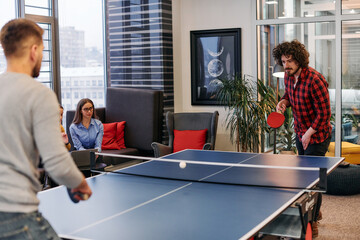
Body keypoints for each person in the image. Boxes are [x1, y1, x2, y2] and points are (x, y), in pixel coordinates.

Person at [0, 18, 92, 239]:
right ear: (33, 50)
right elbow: (57, 162)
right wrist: (79, 183)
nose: (42, 56)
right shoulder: (39, 95)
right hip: (16, 215)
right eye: (42, 50)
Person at [273, 39, 332, 237]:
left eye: (289, 61)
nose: (286, 65)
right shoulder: (288, 77)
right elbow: (289, 96)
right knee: (303, 178)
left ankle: (312, 220)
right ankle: (315, 210)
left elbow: (324, 114)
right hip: (300, 132)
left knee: (313, 181)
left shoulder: (316, 79)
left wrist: (309, 133)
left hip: (318, 135)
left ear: (299, 60)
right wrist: (283, 102)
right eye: (283, 61)